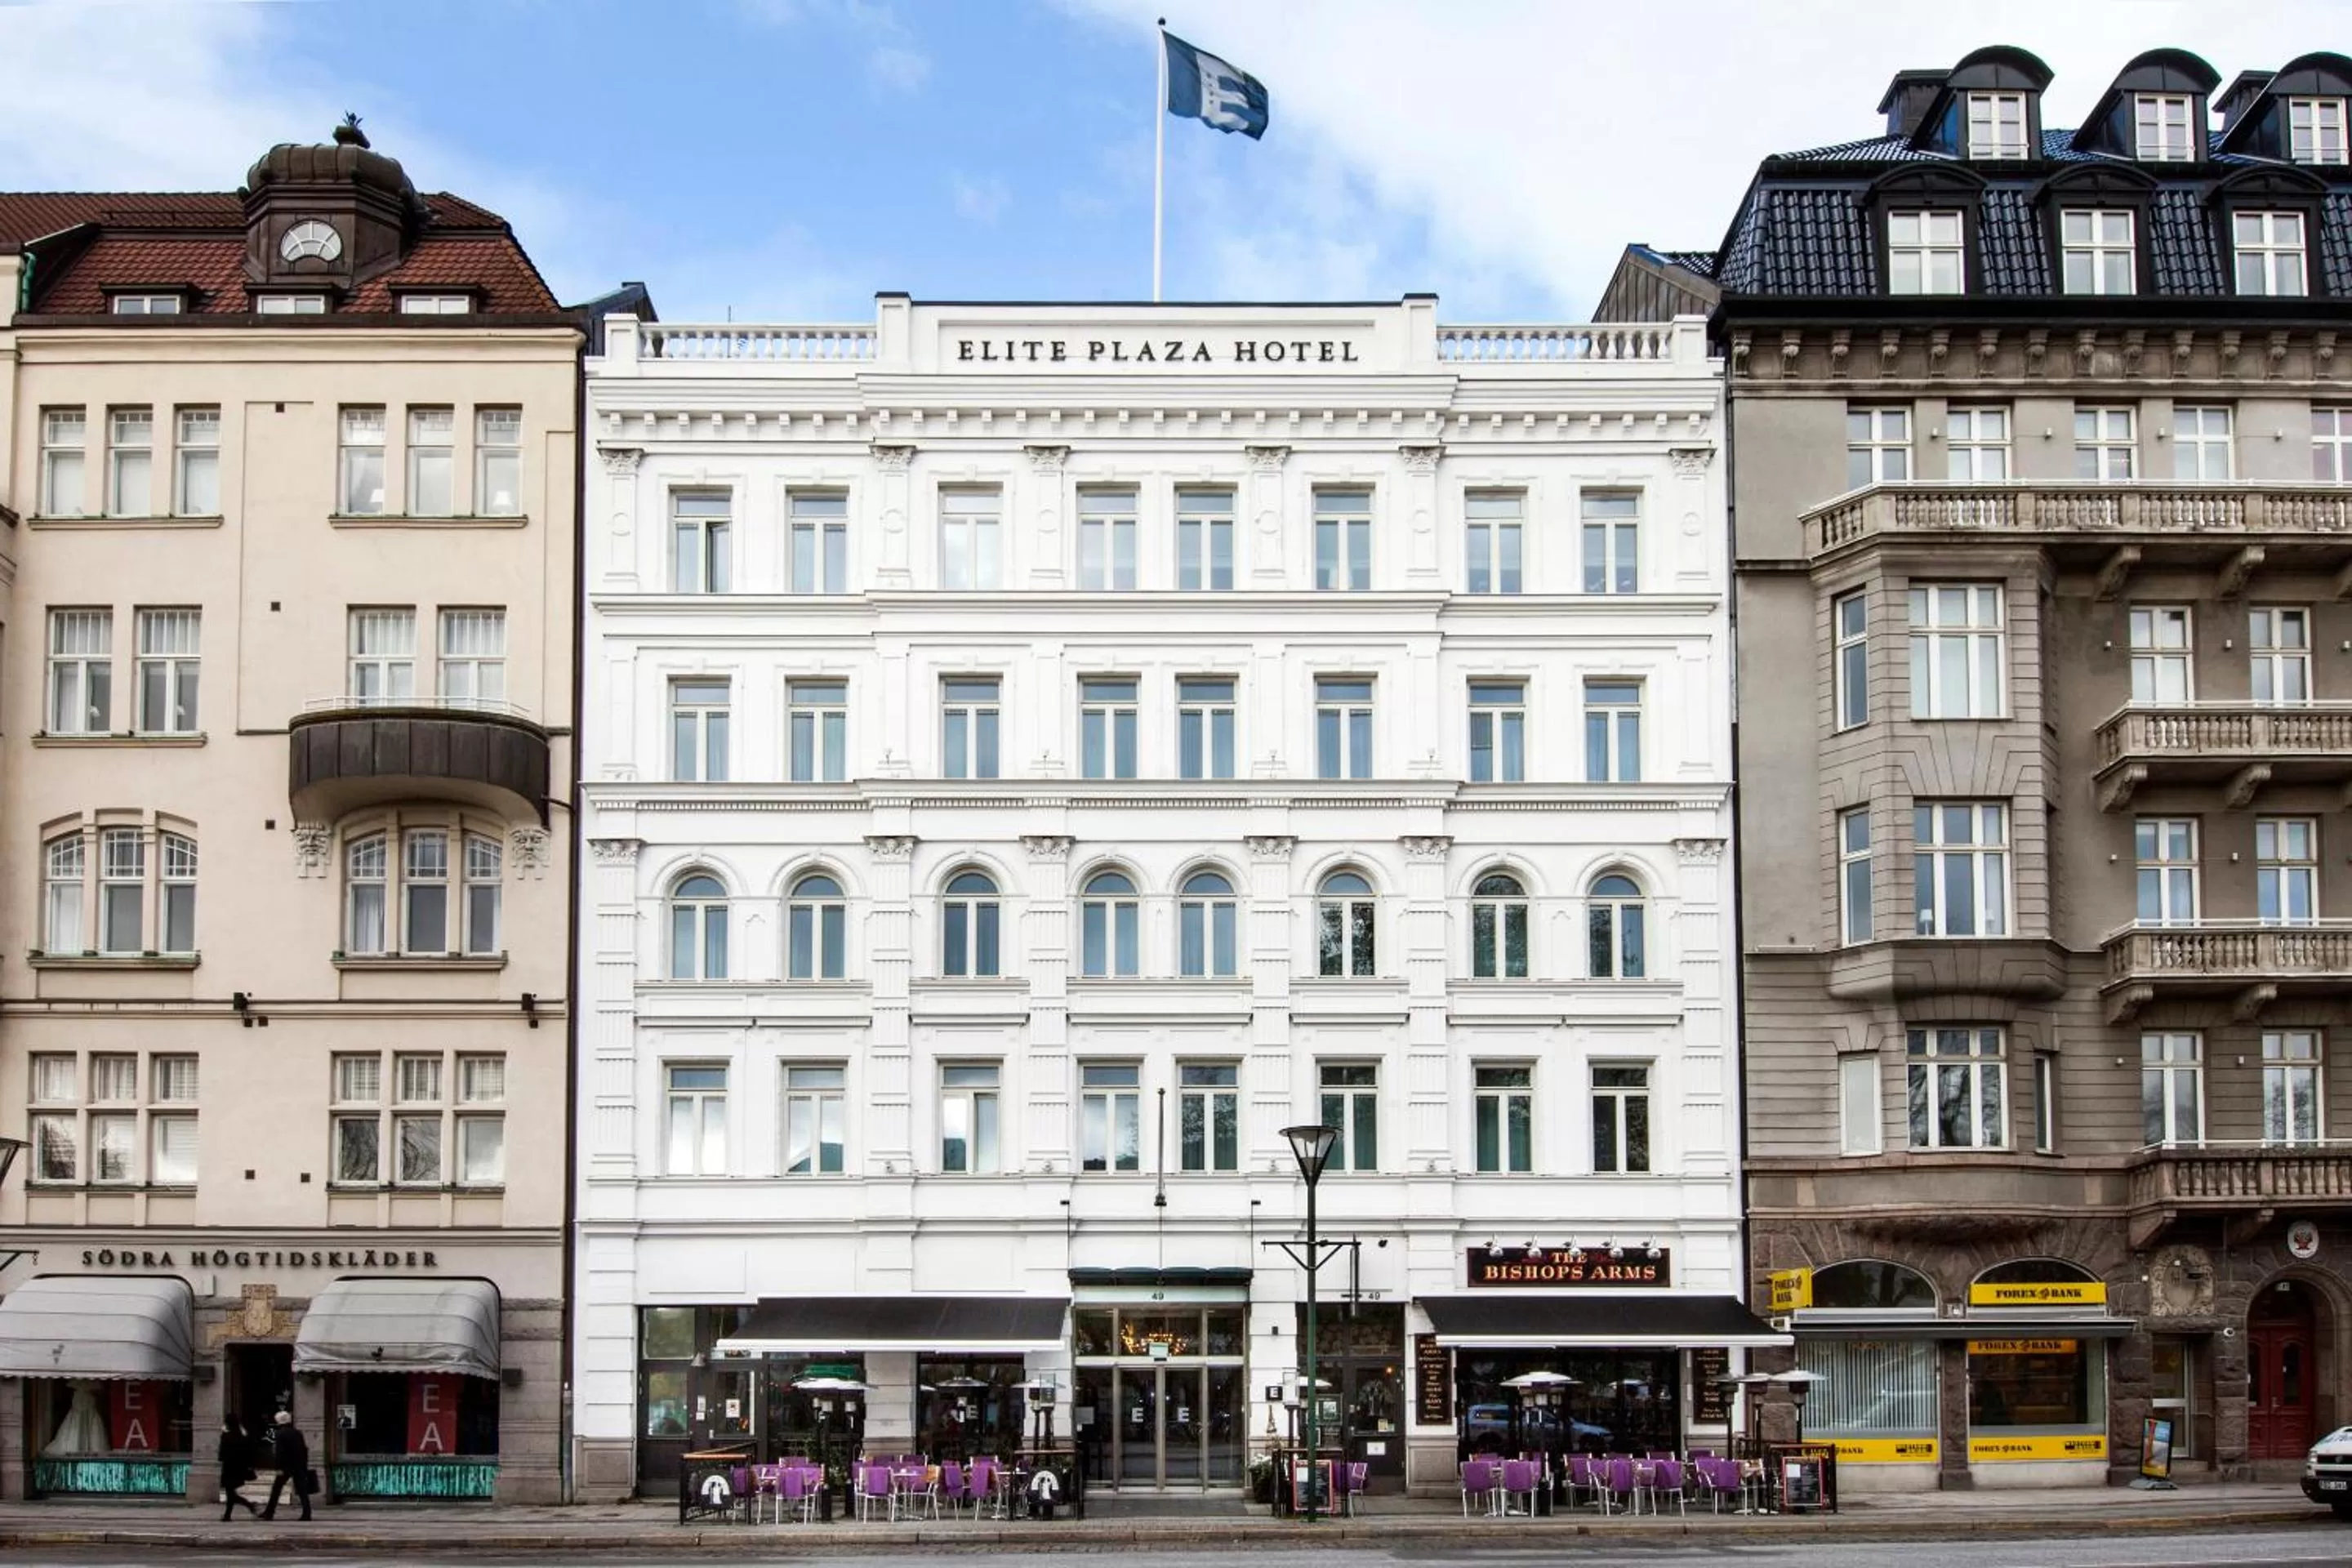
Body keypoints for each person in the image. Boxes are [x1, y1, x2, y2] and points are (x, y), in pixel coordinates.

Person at [260, 1410, 312, 1521]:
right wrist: (304, 1464)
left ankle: (269, 1513)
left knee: (276, 1489)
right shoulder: (297, 1433)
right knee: (302, 1490)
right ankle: (307, 1513)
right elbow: (304, 1449)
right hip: (298, 1465)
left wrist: (278, 1467)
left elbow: (280, 1452)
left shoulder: (280, 1434)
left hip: (286, 1467)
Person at [217, 1417, 261, 1521]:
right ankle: (244, 1508)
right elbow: (249, 1452)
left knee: (230, 1493)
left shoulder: (227, 1436)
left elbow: (221, 1455)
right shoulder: (242, 1436)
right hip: (239, 1469)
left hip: (229, 1468)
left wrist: (223, 1435)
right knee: (231, 1493)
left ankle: (246, 1507)